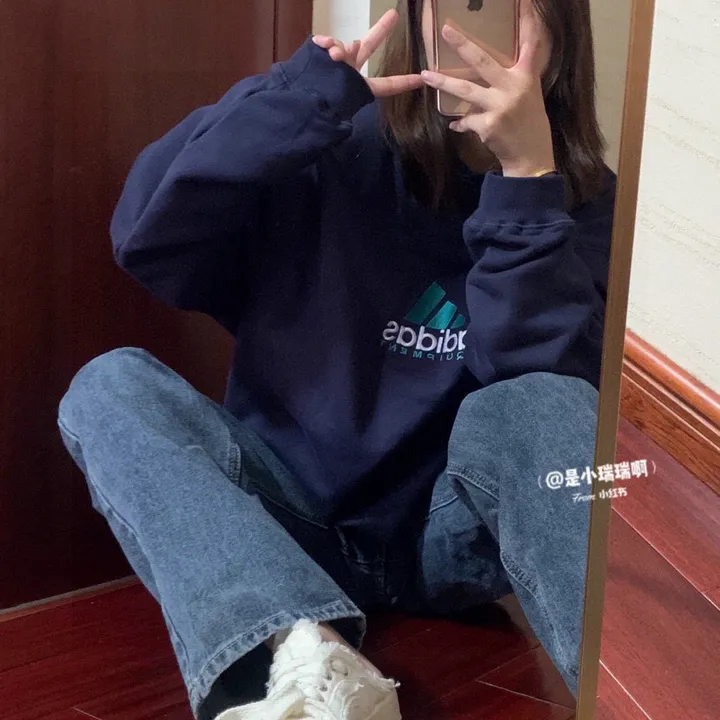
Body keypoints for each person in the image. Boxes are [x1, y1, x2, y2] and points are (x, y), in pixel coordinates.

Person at [58, 1, 615, 718]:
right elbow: (145, 235)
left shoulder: (587, 204)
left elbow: (537, 388)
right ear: (417, 19)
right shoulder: (331, 143)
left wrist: (525, 179)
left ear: (560, 36)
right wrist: (294, 99)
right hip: (289, 520)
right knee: (109, 387)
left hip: (448, 539)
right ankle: (308, 660)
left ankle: (639, 691)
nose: (463, 32)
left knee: (550, 401)